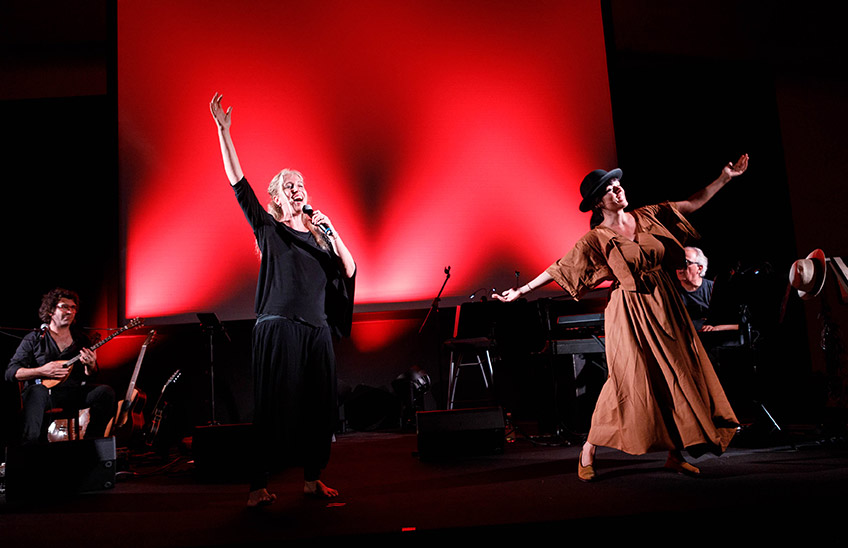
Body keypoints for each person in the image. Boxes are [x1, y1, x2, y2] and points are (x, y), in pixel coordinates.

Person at [494, 155, 748, 480]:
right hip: (629, 311)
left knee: (677, 374)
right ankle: (589, 448)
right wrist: (521, 291)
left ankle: (675, 454)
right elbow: (561, 267)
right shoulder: (596, 238)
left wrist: (724, 177)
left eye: (618, 185)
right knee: (628, 380)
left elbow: (691, 204)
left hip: (666, 305)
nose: (618, 190)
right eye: (609, 189)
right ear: (598, 203)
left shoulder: (648, 215)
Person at [209, 93, 356, 507]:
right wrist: (224, 132)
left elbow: (349, 270)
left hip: (316, 330)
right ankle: (258, 485)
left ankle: (312, 479)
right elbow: (238, 183)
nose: (297, 189)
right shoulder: (269, 230)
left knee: (320, 407)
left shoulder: (321, 239)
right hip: (278, 326)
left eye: (301, 185)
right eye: (289, 186)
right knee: (276, 406)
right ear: (276, 196)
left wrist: (332, 232)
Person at [5, 288, 116, 445]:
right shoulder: (35, 338)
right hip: (44, 395)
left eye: (73, 308)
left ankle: (92, 444)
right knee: (36, 391)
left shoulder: (81, 340)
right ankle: (29, 448)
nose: (70, 312)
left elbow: (91, 375)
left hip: (72, 393)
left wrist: (90, 366)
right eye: (64, 307)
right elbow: (11, 373)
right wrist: (42, 371)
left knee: (105, 392)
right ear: (51, 311)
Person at [676, 246, 740, 332]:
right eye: (677, 261)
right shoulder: (672, 293)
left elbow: (738, 323)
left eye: (685, 262)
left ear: (699, 268)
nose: (679, 266)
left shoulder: (715, 288)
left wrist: (716, 328)